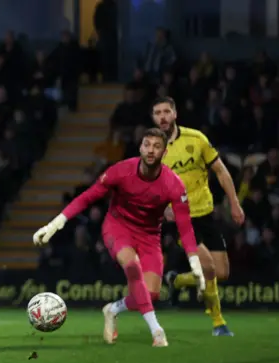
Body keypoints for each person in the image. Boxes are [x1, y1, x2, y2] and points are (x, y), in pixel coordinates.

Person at [32, 128, 205, 347]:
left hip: (150, 237)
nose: (151, 150)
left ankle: (112, 309)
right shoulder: (121, 171)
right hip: (118, 228)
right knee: (132, 268)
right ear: (140, 147)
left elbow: (185, 227)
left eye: (157, 146)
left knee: (150, 294)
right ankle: (157, 331)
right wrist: (56, 223)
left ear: (164, 152)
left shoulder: (174, 184)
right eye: (147, 144)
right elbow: (87, 197)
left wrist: (195, 263)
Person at [152, 96, 244, 337]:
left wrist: (234, 203)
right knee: (208, 268)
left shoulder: (197, 139)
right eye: (157, 113)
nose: (162, 117)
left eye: (166, 112)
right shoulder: (153, 149)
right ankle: (218, 323)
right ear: (153, 118)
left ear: (174, 114)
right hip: (182, 219)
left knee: (222, 272)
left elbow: (221, 172)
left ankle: (178, 281)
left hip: (206, 214)